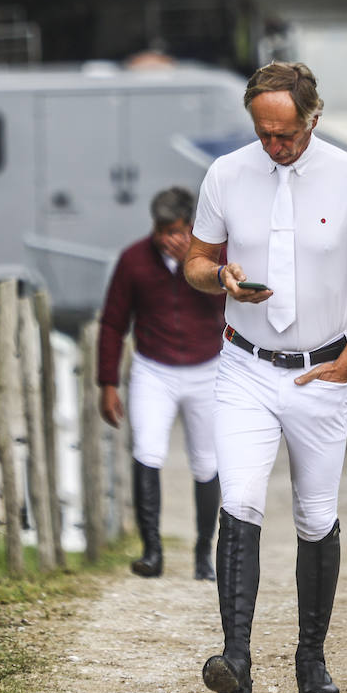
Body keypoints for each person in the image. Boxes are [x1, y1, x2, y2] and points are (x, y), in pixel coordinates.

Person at [185, 61, 347, 693]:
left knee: (314, 514)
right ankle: (237, 660)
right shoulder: (227, 173)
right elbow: (195, 260)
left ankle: (311, 657)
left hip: (320, 369)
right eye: (264, 133)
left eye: (287, 135)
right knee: (241, 499)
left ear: (313, 118)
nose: (275, 146)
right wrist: (217, 276)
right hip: (245, 365)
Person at [98, 187, 226, 580]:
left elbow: (231, 304)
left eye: (174, 229)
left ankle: (204, 552)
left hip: (208, 367)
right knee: (147, 451)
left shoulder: (217, 257)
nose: (165, 238)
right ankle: (151, 551)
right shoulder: (133, 260)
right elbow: (113, 323)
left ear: (191, 227)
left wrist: (195, 264)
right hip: (153, 369)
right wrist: (107, 382)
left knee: (207, 461)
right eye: (160, 229)